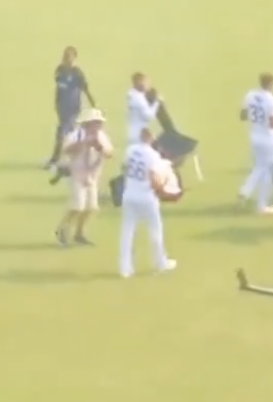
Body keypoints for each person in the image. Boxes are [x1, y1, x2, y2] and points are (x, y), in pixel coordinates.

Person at [119, 128, 176, 278]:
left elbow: (124, 168)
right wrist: (163, 188)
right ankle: (160, 263)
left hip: (129, 194)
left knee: (127, 232)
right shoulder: (153, 155)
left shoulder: (130, 150)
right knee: (155, 230)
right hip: (146, 197)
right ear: (151, 139)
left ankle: (125, 268)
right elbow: (153, 177)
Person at [55, 110, 113, 247]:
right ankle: (62, 229)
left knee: (91, 207)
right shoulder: (76, 135)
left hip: (92, 174)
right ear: (87, 124)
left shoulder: (101, 136)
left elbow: (110, 153)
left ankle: (79, 233)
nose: (99, 125)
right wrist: (84, 143)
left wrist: (100, 148)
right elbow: (66, 150)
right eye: (96, 123)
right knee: (78, 206)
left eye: (99, 123)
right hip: (78, 173)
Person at [238, 72, 273, 215]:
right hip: (268, 139)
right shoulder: (272, 100)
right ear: (271, 84)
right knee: (264, 168)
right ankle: (245, 190)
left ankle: (262, 205)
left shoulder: (250, 95)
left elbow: (242, 116)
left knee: (264, 170)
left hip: (254, 136)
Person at [46, 46, 96, 173]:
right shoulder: (59, 70)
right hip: (62, 108)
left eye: (69, 56)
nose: (66, 59)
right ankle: (75, 159)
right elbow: (59, 88)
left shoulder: (77, 73)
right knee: (69, 134)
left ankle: (55, 160)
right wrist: (56, 104)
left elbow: (86, 90)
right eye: (64, 56)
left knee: (62, 133)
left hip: (73, 109)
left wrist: (94, 105)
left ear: (74, 58)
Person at [126, 72, 161, 143]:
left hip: (133, 132)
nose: (148, 85)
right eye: (146, 83)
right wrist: (156, 103)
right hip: (140, 135)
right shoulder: (139, 98)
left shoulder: (132, 94)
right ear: (140, 84)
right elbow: (149, 116)